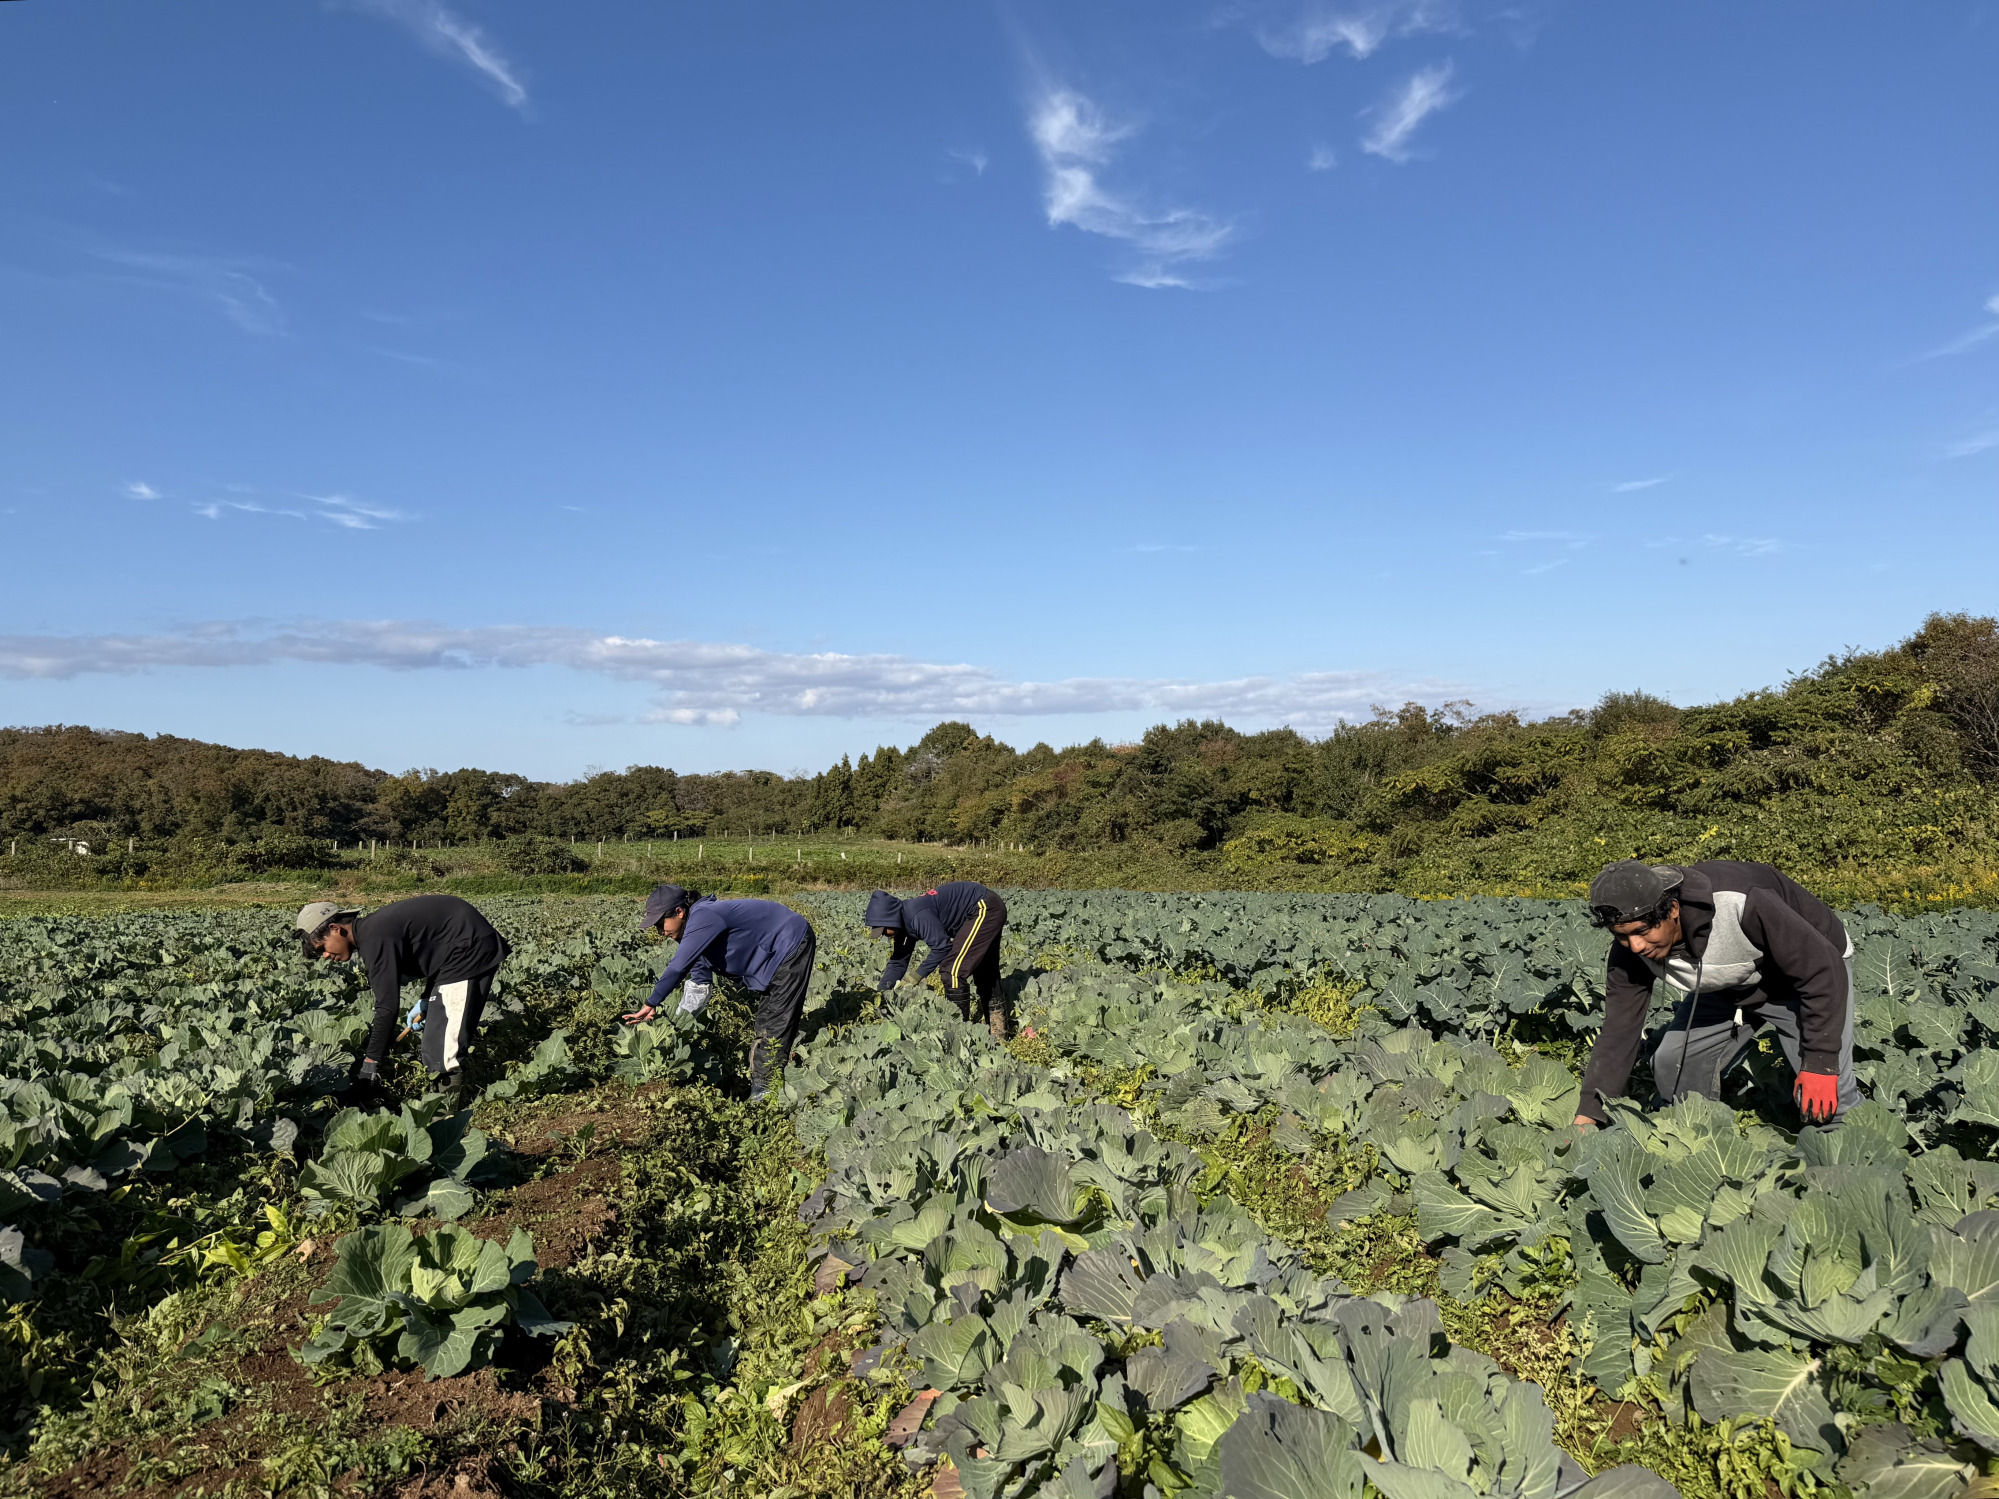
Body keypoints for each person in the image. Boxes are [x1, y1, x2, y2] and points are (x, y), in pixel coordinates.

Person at [1574, 859, 1862, 1130]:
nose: (1635, 945)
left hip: (1806, 977)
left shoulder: (1742, 902)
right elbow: (1618, 1032)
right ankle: (1700, 1143)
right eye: (1621, 935)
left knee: (1827, 1094)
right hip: (1730, 981)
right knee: (1673, 1063)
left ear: (1672, 910)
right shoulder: (1630, 951)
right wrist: (1590, 1114)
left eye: (1642, 931)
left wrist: (1820, 1063)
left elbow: (1822, 970)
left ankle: (1848, 1169)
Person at [296, 895, 510, 1106]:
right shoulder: (372, 931)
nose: (324, 955)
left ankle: (443, 1116)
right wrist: (427, 998)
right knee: (435, 1036)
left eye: (321, 948)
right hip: (457, 948)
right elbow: (439, 951)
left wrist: (370, 1064)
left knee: (441, 1051)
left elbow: (387, 1008)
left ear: (336, 929)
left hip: (470, 948)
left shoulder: (375, 939)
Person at [621, 884, 816, 1100]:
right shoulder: (695, 937)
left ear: (679, 912)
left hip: (791, 941)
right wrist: (676, 1027)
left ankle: (765, 1094)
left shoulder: (705, 917)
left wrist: (651, 1002)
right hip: (772, 954)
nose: (661, 932)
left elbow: (678, 967)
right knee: (766, 1020)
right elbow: (699, 985)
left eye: (660, 923)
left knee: (777, 1021)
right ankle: (762, 1085)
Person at [863, 882, 1010, 1040]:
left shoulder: (916, 915)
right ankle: (999, 1035)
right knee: (985, 971)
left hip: (984, 907)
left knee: (952, 971)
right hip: (982, 910)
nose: (884, 934)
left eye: (884, 929)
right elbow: (898, 962)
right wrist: (882, 994)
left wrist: (914, 978)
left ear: (891, 919)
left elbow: (942, 947)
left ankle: (960, 1036)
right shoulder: (902, 927)